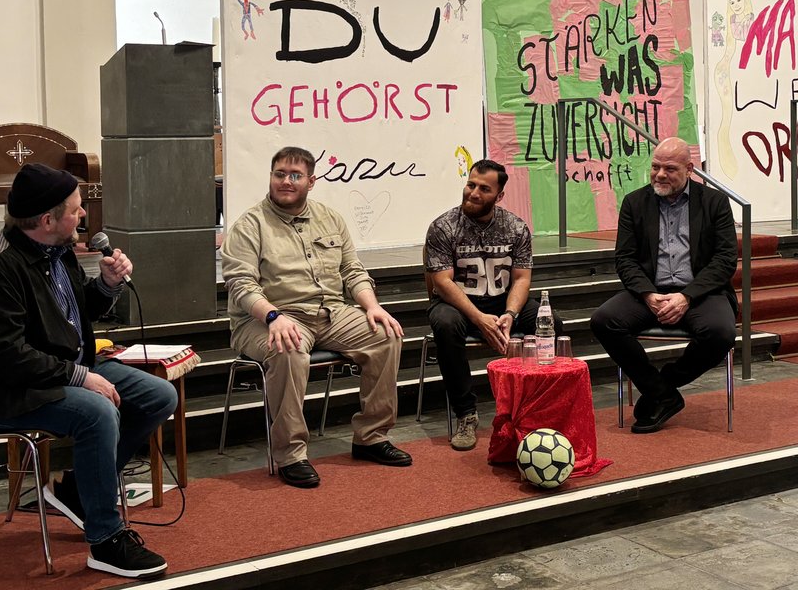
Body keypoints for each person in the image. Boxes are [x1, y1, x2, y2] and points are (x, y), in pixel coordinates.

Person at [0, 163, 177, 578]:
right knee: (98, 412)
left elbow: (75, 316)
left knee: (158, 395)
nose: (84, 215)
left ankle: (77, 491)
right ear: (47, 220)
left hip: (67, 371)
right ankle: (105, 540)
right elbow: (8, 354)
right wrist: (80, 377)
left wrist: (108, 285)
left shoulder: (58, 252)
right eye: (76, 209)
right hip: (19, 388)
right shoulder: (5, 267)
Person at [221, 146, 411, 488]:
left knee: (386, 335)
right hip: (267, 318)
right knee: (289, 348)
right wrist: (273, 316)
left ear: (311, 181)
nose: (286, 181)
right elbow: (240, 284)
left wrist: (372, 306)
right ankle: (290, 454)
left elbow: (352, 271)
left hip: (329, 312)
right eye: (279, 174)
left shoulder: (330, 218)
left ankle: (371, 437)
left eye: (295, 176)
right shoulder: (250, 225)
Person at [590, 137, 738, 433]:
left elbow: (725, 260)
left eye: (670, 169)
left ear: (689, 170)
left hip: (700, 292)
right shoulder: (634, 202)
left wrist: (686, 297)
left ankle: (663, 385)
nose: (660, 174)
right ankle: (662, 394)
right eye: (655, 167)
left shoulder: (714, 203)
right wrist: (648, 294)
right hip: (650, 291)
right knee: (604, 321)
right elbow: (625, 259)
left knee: (721, 333)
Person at [424, 159, 562, 451]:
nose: (473, 193)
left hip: (501, 300)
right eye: (471, 184)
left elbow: (522, 278)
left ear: (499, 196)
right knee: (446, 324)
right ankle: (466, 413)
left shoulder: (516, 227)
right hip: (456, 303)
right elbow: (442, 283)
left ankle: (537, 406)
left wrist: (510, 314)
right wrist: (478, 318)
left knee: (550, 321)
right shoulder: (442, 227)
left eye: (484, 189)